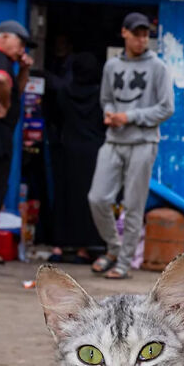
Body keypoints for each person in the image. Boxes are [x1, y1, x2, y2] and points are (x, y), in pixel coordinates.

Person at [88, 13, 174, 281]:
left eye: (146, 34)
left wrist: (131, 116)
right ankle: (114, 248)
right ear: (124, 33)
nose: (142, 39)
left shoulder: (158, 67)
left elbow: (166, 107)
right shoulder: (111, 66)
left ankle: (124, 262)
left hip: (143, 142)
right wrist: (111, 113)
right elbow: (106, 98)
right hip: (114, 140)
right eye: (137, 34)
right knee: (98, 198)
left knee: (133, 205)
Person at [46, 52, 106, 262]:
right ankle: (85, 247)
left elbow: (55, 118)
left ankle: (60, 246)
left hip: (68, 149)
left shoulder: (63, 92)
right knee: (89, 199)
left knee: (65, 197)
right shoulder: (100, 95)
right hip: (94, 151)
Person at [0, 20, 35, 264]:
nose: (23, 49)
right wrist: (5, 103)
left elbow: (15, 89)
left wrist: (24, 70)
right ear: (5, 37)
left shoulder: (9, 62)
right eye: (21, 43)